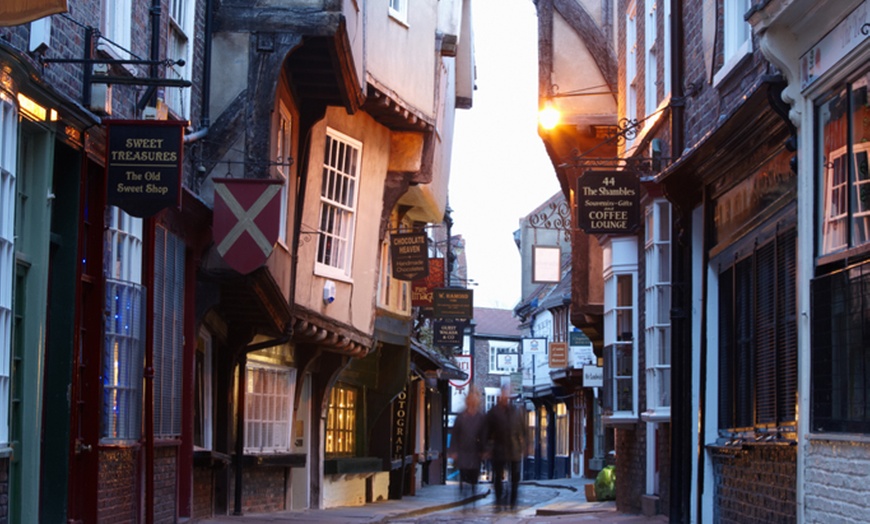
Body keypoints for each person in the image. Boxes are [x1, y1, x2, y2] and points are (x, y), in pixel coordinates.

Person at [485, 384, 526, 510]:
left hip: (513, 450)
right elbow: (487, 432)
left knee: (514, 479)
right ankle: (499, 501)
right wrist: (488, 448)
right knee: (498, 477)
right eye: (503, 394)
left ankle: (512, 502)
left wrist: (524, 446)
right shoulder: (493, 412)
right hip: (498, 450)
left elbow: (523, 430)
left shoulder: (515, 412)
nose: (505, 396)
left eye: (507, 394)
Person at [449, 385, 486, 499]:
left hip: (475, 452)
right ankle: (464, 496)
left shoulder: (481, 417)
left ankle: (472, 498)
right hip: (463, 452)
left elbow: (484, 435)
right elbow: (455, 434)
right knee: (464, 476)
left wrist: (484, 451)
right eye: (470, 399)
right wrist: (453, 451)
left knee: (473, 477)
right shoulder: (461, 417)